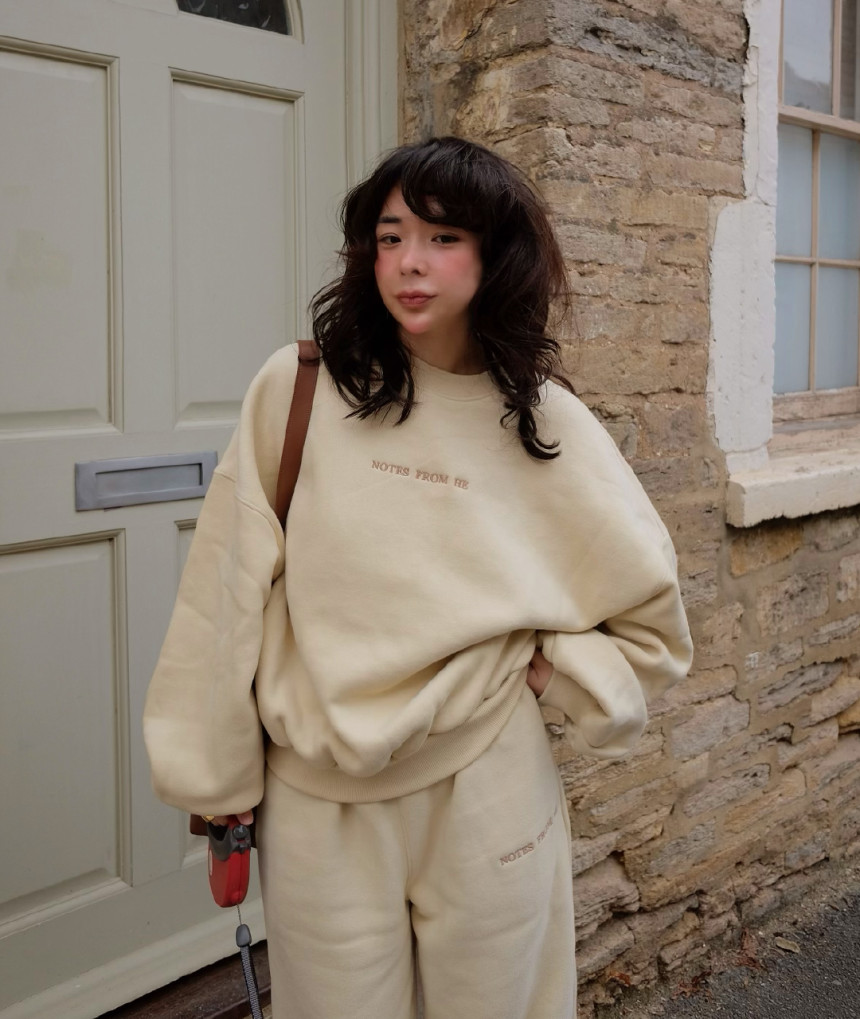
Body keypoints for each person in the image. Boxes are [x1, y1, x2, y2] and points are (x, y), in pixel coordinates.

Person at [144, 136, 693, 1018]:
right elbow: (222, 594)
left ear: (495, 253)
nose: (409, 262)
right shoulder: (298, 389)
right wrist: (217, 785)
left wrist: (551, 668)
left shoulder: (543, 419)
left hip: (488, 783)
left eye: (443, 238)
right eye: (391, 236)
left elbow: (652, 626)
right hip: (318, 797)